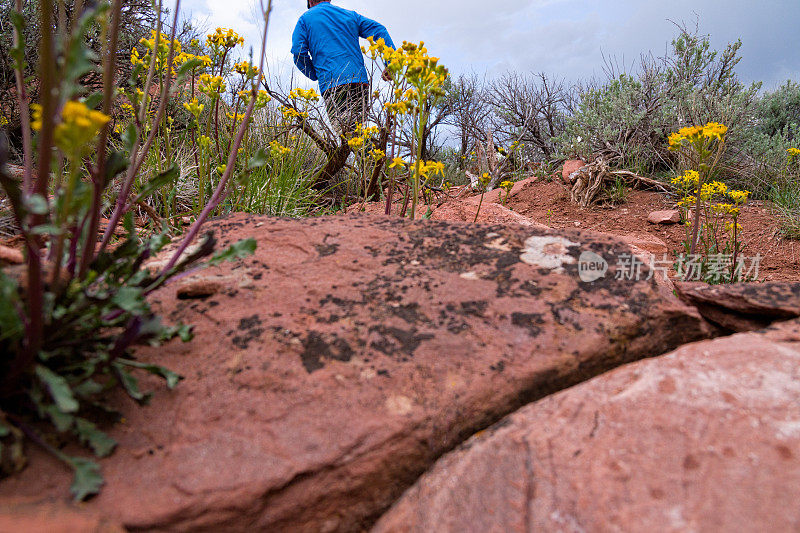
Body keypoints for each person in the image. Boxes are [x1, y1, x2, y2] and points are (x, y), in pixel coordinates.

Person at [291, 0, 395, 136]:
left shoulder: (305, 19)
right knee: (357, 133)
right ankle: (376, 155)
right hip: (359, 83)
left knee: (351, 136)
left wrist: (314, 74)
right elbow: (379, 30)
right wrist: (391, 63)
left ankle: (376, 157)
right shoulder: (350, 15)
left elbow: (298, 53)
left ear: (310, 2)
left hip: (332, 85)